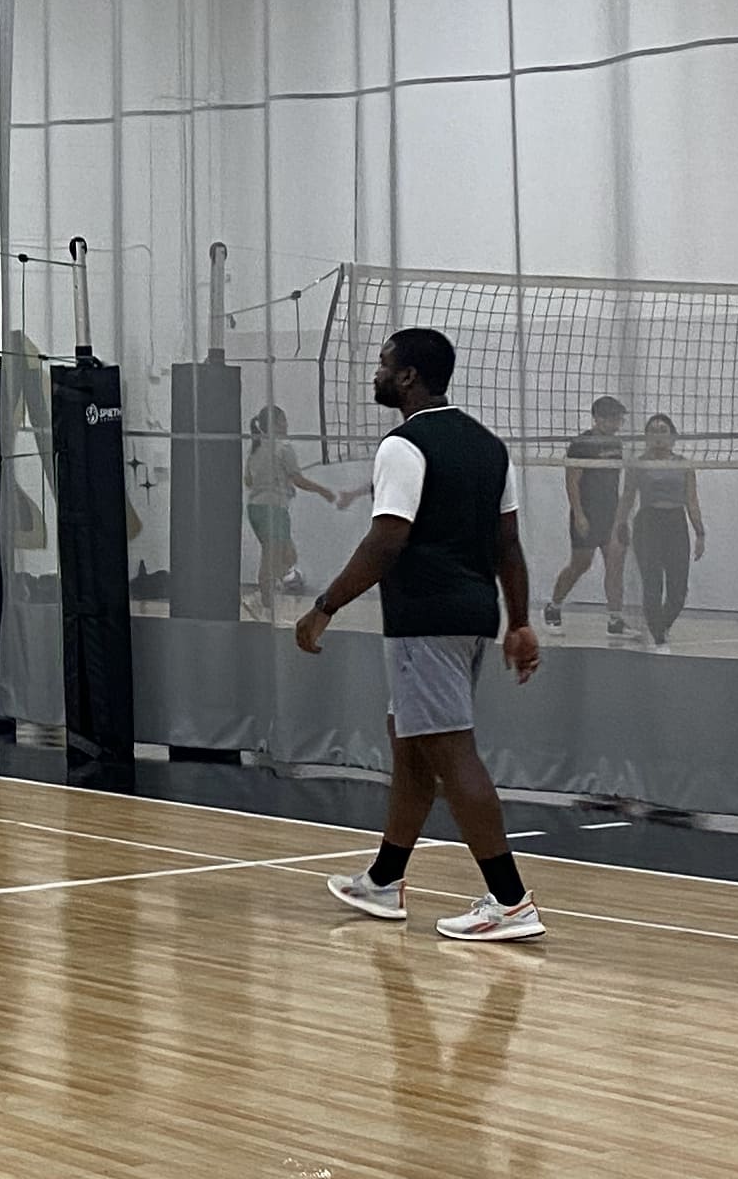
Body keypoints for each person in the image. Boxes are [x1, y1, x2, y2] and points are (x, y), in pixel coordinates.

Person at [297, 323, 543, 945]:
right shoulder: (490, 447)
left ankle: (510, 901)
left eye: (383, 364)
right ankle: (384, 880)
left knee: (452, 752)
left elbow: (387, 538)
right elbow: (508, 545)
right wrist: (518, 621)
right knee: (411, 745)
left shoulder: (404, 445)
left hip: (425, 619)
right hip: (473, 615)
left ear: (408, 376)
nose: (376, 374)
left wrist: (325, 606)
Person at [243, 405, 344, 620]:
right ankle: (262, 603)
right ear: (275, 424)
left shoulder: (256, 449)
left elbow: (248, 481)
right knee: (271, 558)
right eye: (283, 420)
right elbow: (298, 480)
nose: (286, 424)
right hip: (271, 508)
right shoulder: (283, 448)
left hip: (257, 509)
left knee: (288, 555)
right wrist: (323, 491)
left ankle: (276, 589)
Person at [544, 395, 630, 633]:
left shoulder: (616, 444)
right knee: (581, 564)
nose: (618, 423)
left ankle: (615, 619)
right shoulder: (582, 444)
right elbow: (572, 480)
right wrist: (579, 514)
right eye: (615, 418)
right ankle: (554, 606)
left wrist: (620, 516)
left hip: (611, 513)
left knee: (615, 565)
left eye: (620, 419)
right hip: (587, 512)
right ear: (599, 418)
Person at [618, 414, 703, 649]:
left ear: (673, 437)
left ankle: (661, 625)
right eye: (653, 431)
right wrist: (621, 524)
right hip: (648, 523)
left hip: (676, 524)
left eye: (663, 431)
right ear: (646, 437)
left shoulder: (684, 464)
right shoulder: (638, 464)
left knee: (678, 592)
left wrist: (700, 533)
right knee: (652, 585)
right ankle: (658, 636)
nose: (658, 437)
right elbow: (627, 497)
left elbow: (692, 501)